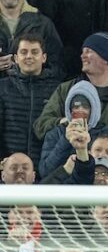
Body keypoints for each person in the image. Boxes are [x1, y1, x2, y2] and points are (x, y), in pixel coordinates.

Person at [0, 35, 61, 164]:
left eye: (34, 52)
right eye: (23, 52)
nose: (29, 56)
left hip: (46, 169)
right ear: (15, 58)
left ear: (44, 57)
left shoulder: (57, 90)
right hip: (9, 169)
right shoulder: (2, 87)